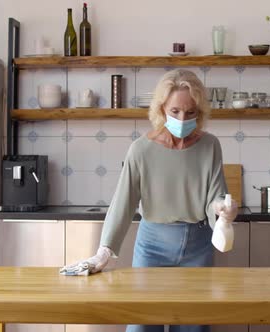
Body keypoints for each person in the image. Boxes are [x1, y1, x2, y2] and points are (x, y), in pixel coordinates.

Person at [60, 69, 239, 332]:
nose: (182, 118)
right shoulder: (141, 150)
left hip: (198, 247)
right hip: (153, 247)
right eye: (175, 111)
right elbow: (123, 203)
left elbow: (215, 196)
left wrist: (222, 210)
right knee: (143, 324)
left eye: (190, 113)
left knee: (193, 326)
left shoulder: (210, 145)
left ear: (199, 113)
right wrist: (105, 250)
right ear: (161, 108)